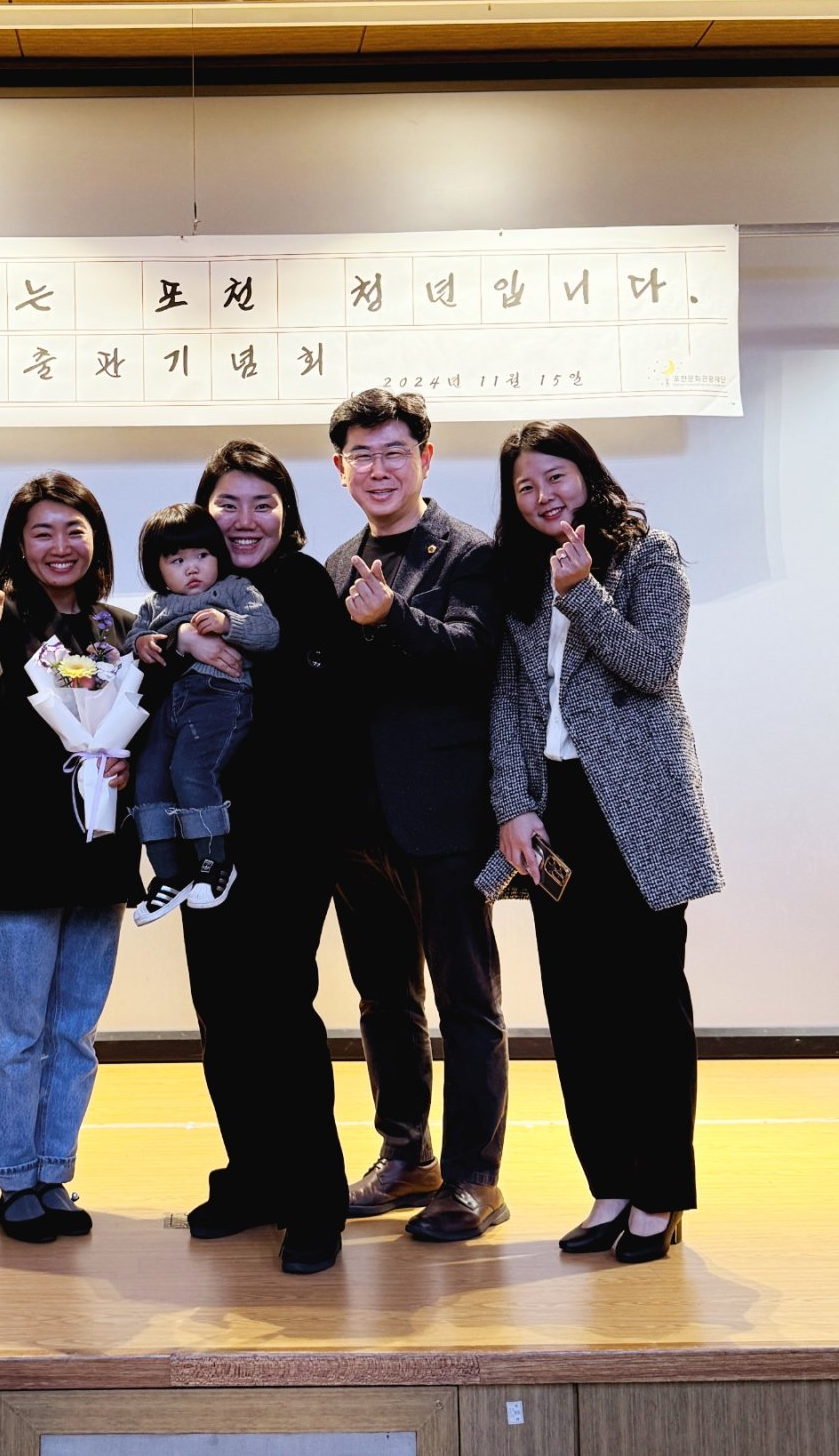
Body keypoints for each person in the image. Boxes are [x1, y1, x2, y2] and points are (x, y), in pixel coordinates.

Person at [483, 421, 723, 1264]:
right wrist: (513, 805)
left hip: (636, 805)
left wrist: (583, 590)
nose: (542, 495)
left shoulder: (648, 555)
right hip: (557, 810)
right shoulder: (517, 573)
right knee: (578, 1009)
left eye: (555, 476)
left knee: (648, 1005)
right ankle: (611, 1185)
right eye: (525, 486)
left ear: (587, 475)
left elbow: (652, 666)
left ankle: (659, 1195)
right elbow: (508, 701)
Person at [139, 441, 350, 1273]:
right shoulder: (186, 595)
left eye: (264, 503)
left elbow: (319, 695)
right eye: (228, 504)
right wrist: (177, 646)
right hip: (207, 838)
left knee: (280, 1009)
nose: (245, 519)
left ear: (287, 514)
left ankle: (315, 1200)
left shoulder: (298, 583)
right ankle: (254, 1175)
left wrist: (218, 649)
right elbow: (151, 699)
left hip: (288, 834)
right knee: (221, 1013)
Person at [325, 388, 509, 1242]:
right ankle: (408, 1154)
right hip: (357, 821)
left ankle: (475, 1178)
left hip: (445, 816)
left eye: (394, 451)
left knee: (467, 1002)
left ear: (425, 458)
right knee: (384, 1001)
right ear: (340, 469)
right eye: (361, 455)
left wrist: (393, 616)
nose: (378, 468)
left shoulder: (469, 552)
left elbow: (477, 657)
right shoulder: (336, 561)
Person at [0, 474, 138, 1244]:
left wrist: (130, 762)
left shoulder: (118, 628)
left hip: (97, 850)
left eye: (74, 529)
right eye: (42, 532)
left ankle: (54, 1172)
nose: (60, 546)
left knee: (74, 1031)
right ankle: (12, 1180)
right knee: (18, 1029)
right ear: (19, 544)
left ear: (95, 537)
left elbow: (145, 726)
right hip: (17, 850)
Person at [126, 502, 279, 924]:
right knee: (149, 777)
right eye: (177, 560)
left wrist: (228, 623)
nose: (192, 567)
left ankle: (214, 863)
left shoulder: (235, 589)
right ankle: (168, 874)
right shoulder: (155, 604)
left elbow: (268, 632)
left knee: (190, 771)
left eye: (202, 555)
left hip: (219, 696)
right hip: (168, 704)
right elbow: (133, 645)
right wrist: (142, 643)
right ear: (157, 568)